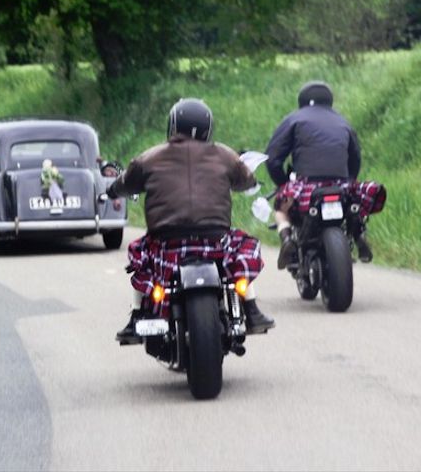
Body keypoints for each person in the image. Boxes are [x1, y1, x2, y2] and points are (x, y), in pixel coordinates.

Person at [107, 98, 275, 341]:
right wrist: (250, 183)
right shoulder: (225, 156)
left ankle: (137, 316)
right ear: (209, 128)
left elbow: (124, 184)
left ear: (172, 125)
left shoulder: (150, 158)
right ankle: (252, 309)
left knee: (142, 260)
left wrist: (113, 190)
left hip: (167, 241)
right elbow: (246, 180)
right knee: (238, 255)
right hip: (214, 237)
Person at [266, 81, 387, 268]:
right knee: (353, 204)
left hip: (307, 185)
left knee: (281, 209)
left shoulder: (294, 119)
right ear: (329, 100)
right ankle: (359, 232)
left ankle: (287, 238)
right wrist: (349, 180)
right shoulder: (343, 121)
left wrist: (283, 184)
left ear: (303, 100)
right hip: (340, 185)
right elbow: (355, 159)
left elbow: (273, 159)